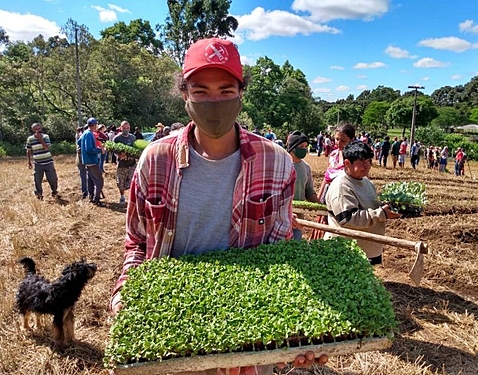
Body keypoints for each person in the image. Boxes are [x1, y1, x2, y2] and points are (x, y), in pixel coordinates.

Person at [110, 37, 326, 374]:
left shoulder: (276, 163)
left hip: (249, 340)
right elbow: (137, 243)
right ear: (185, 94)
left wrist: (297, 329)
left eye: (226, 91)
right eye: (201, 92)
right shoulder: (155, 161)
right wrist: (126, 295)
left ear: (241, 94)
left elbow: (280, 254)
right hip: (171, 335)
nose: (215, 102)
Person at [324, 141, 401, 265]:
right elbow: (348, 219)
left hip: (365, 249)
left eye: (368, 161)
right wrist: (381, 214)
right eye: (361, 162)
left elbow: (370, 205)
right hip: (347, 251)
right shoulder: (341, 187)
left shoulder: (366, 181)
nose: (366, 166)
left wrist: (387, 207)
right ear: (347, 163)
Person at [287, 130, 322, 240]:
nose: (304, 149)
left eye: (306, 146)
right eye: (301, 146)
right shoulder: (282, 164)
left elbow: (309, 191)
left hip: (298, 218)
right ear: (292, 146)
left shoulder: (306, 167)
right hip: (281, 218)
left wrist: (321, 207)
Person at [26, 122, 59, 200]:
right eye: (35, 129)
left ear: (41, 129)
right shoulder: (30, 139)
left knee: (52, 178)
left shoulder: (45, 137)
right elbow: (28, 150)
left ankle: (54, 191)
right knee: (37, 180)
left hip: (48, 162)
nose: (37, 130)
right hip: (38, 163)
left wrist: (40, 139)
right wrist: (29, 161)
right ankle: (39, 194)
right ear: (32, 130)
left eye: (39, 128)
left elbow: (46, 147)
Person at [78, 117, 104, 206]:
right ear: (94, 125)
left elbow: (79, 142)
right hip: (91, 160)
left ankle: (91, 196)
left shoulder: (85, 133)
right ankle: (96, 199)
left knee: (90, 180)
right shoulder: (89, 134)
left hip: (86, 160)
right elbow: (89, 149)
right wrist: (99, 150)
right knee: (99, 180)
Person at [112, 120, 136, 206]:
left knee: (132, 182)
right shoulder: (117, 138)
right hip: (122, 164)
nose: (126, 129)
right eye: (124, 128)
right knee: (121, 183)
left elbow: (135, 149)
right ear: (121, 128)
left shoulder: (132, 137)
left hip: (132, 164)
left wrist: (133, 155)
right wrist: (119, 155)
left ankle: (131, 198)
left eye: (128, 128)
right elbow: (113, 150)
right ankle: (122, 196)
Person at [75, 126, 89, 199]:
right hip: (81, 160)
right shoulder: (81, 136)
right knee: (84, 176)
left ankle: (87, 192)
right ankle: (85, 193)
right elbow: (79, 150)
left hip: (84, 160)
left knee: (86, 177)